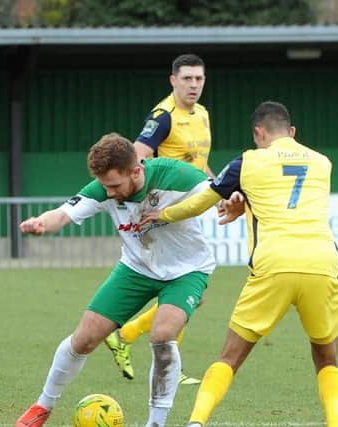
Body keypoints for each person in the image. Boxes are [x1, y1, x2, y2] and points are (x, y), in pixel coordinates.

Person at [140, 101, 338, 427]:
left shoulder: (248, 161)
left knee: (230, 357)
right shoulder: (323, 163)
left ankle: (196, 421)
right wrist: (245, 202)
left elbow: (201, 202)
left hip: (274, 262)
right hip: (321, 261)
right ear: (291, 132)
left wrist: (163, 214)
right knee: (326, 358)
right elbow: (288, 198)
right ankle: (337, 424)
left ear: (258, 133)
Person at [15, 133, 216, 427]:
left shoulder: (175, 175)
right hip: (135, 270)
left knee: (162, 334)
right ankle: (42, 407)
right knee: (83, 339)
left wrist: (232, 201)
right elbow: (62, 214)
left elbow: (217, 190)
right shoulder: (103, 187)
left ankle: (156, 423)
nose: (108, 193)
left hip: (187, 270)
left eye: (114, 186)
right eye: (105, 186)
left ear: (136, 171)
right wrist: (41, 223)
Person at [104, 53, 214, 386]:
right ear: (173, 81)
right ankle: (146, 350)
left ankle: (129, 335)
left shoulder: (203, 114)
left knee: (192, 291)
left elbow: (198, 163)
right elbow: (136, 155)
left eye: (199, 78)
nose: (193, 85)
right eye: (187, 79)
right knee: (185, 286)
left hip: (189, 209)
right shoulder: (163, 117)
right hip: (165, 213)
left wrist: (217, 191)